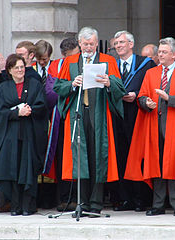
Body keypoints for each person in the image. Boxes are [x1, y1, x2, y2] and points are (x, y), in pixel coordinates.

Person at [124, 37, 175, 216]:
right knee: (156, 163)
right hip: (154, 125)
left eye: (164, 52)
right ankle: (158, 204)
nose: (160, 55)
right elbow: (141, 96)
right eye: (159, 52)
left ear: (174, 54)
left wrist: (169, 99)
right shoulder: (151, 73)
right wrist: (146, 102)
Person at [53, 26, 126, 217]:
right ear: (79, 43)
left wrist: (109, 82)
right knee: (80, 157)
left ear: (96, 43)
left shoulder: (108, 61)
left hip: (99, 114)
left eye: (92, 44)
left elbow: (120, 86)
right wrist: (71, 84)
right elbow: (58, 87)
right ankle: (82, 202)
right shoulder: (69, 62)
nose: (89, 47)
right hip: (78, 113)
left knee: (98, 157)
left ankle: (96, 203)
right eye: (85, 44)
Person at [0, 54, 48, 216]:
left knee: (28, 169)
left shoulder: (35, 85)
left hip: (30, 133)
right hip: (10, 136)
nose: (20, 70)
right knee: (13, 169)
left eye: (22, 67)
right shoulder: (3, 88)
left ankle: (28, 206)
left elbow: (42, 105)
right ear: (9, 70)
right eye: (16, 67)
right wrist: (17, 113)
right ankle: (15, 206)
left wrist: (30, 110)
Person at [110, 30, 156, 212]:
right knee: (121, 156)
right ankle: (125, 199)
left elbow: (153, 86)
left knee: (138, 157)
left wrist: (136, 95)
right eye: (116, 43)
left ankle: (142, 199)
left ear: (131, 44)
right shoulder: (111, 65)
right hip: (118, 116)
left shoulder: (146, 64)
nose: (118, 46)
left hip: (139, 115)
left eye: (121, 42)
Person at [43, 37, 80, 212]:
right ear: (64, 55)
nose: (77, 57)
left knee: (80, 156)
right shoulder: (55, 66)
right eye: (73, 55)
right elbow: (50, 93)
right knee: (63, 156)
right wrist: (70, 89)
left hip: (81, 115)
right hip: (63, 117)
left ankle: (81, 198)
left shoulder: (83, 63)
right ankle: (65, 198)